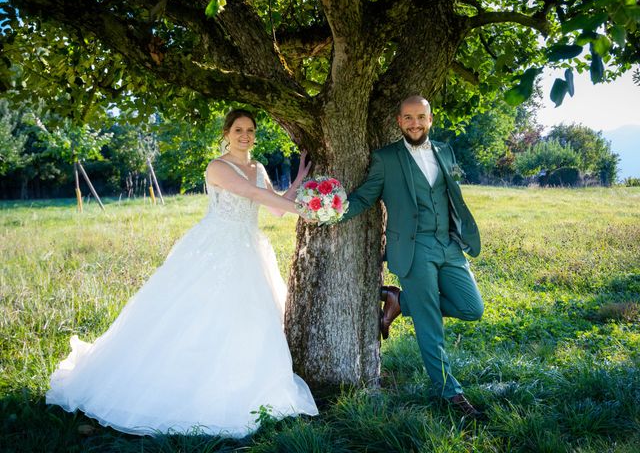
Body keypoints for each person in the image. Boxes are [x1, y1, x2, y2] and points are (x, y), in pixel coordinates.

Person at [46, 109, 318, 437]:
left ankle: (246, 383)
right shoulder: (218, 167)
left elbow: (273, 206)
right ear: (226, 133)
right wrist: (304, 209)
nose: (244, 135)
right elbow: (251, 194)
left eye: (249, 130)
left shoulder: (257, 167)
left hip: (249, 248)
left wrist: (300, 181)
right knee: (200, 314)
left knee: (250, 316)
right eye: (238, 129)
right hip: (217, 247)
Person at [342, 95, 484, 418]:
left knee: (471, 307)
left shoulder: (445, 152)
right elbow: (366, 196)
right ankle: (451, 393)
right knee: (429, 321)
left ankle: (399, 302)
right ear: (399, 121)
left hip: (448, 244)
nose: (415, 123)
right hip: (413, 247)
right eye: (408, 117)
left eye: (421, 117)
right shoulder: (386, 158)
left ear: (430, 120)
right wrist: (331, 211)